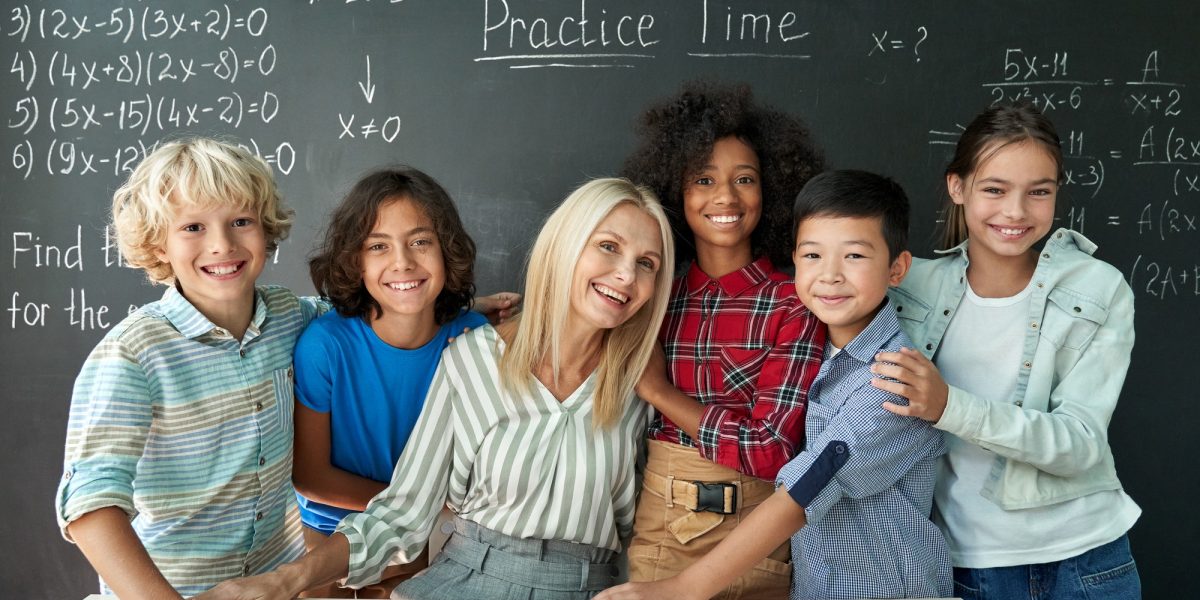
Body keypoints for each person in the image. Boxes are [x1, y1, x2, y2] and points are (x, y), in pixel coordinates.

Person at [197, 177, 675, 600]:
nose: (626, 275)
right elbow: (400, 512)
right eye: (608, 247)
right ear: (565, 247)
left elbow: (651, 528)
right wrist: (284, 580)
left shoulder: (644, 384)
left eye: (647, 263)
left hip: (596, 584)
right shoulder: (471, 355)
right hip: (463, 572)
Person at [599, 170, 951, 600]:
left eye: (855, 257)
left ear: (897, 268)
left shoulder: (894, 380)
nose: (831, 275)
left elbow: (803, 493)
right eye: (812, 256)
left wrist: (683, 588)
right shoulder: (819, 357)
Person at [873, 103, 1142, 599]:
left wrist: (950, 406)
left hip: (1084, 563)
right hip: (962, 567)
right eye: (994, 189)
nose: (1016, 212)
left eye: (1038, 192)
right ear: (958, 188)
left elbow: (1081, 444)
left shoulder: (1098, 290)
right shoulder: (909, 286)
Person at [54, 138, 324, 599]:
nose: (222, 244)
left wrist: (463, 309)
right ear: (158, 245)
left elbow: (381, 311)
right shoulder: (133, 354)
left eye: (241, 221)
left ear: (266, 229)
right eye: (193, 227)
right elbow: (90, 506)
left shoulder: (292, 317)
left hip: (274, 586)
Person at [619, 79, 825, 597]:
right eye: (704, 179)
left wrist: (663, 395)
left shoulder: (795, 299)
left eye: (745, 179)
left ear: (770, 189)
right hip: (662, 524)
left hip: (758, 534)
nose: (726, 197)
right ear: (675, 191)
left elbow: (773, 449)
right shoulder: (651, 290)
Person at [292, 166, 516, 597]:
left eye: (420, 241)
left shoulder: (475, 339)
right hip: (330, 542)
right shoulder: (325, 346)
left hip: (434, 544)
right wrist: (413, 506)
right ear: (355, 261)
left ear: (447, 251)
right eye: (378, 246)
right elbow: (310, 476)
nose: (403, 262)